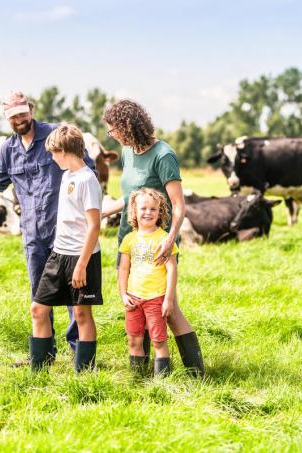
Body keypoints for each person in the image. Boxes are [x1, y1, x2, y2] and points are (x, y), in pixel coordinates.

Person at [0, 91, 95, 362]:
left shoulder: (57, 136)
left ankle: (79, 353)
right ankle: (44, 355)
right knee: (40, 294)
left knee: (73, 296)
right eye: (12, 116)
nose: (19, 119)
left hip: (66, 230)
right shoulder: (9, 149)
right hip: (33, 232)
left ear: (31, 109)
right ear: (7, 119)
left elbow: (85, 170)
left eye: (22, 113)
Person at [102, 99, 205, 377]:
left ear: (127, 125)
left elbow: (179, 204)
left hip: (160, 241)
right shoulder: (126, 152)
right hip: (131, 238)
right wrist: (100, 213)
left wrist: (171, 238)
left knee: (166, 310)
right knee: (136, 300)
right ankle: (144, 373)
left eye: (113, 130)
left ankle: (196, 373)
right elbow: (130, 198)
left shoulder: (163, 155)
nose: (112, 136)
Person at [30, 123, 103, 372]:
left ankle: (84, 374)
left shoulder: (87, 179)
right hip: (58, 254)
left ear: (63, 151)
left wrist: (82, 265)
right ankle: (37, 374)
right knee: (38, 309)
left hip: (82, 258)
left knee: (82, 316)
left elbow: (94, 226)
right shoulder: (66, 176)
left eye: (53, 153)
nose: (52, 157)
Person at [118, 188, 177, 376]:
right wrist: (123, 294)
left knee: (159, 341)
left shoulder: (164, 239)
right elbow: (123, 269)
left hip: (155, 299)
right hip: (133, 299)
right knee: (134, 341)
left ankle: (162, 383)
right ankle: (137, 380)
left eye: (153, 209)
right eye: (143, 208)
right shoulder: (129, 239)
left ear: (160, 212)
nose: (148, 213)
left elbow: (172, 269)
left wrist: (168, 300)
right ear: (134, 211)